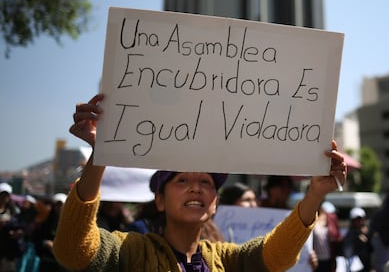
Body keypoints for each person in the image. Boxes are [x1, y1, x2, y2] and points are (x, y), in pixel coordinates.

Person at [52, 93, 347, 271]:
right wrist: (100, 155)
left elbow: (278, 256)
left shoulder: (228, 259)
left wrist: (315, 194)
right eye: (181, 180)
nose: (196, 187)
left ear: (215, 201)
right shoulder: (129, 249)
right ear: (159, 199)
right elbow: (72, 250)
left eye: (207, 182)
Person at [311, 201, 342, 272]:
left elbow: (338, 237)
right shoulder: (310, 217)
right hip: (315, 261)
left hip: (330, 261)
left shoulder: (331, 218)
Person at [342, 207, 372, 272]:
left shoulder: (367, 233)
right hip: (354, 268)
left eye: (362, 219)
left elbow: (371, 249)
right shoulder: (349, 234)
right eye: (357, 220)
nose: (360, 222)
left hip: (366, 267)